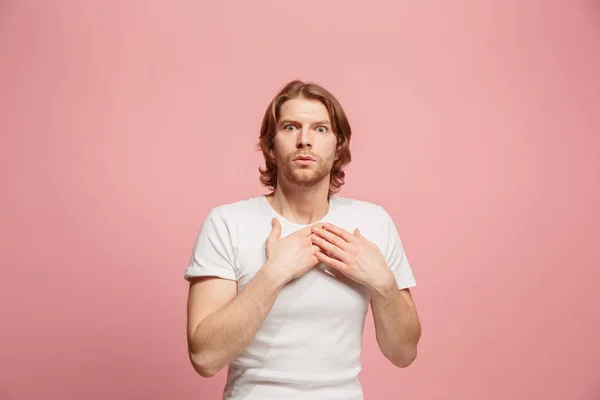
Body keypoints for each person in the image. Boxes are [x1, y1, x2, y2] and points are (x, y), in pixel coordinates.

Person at [184, 80, 421, 400]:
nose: (305, 140)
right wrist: (272, 275)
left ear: (339, 145)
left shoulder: (373, 223)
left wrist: (384, 284)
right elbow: (204, 358)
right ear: (270, 145)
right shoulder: (227, 223)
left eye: (320, 129)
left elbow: (403, 353)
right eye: (291, 127)